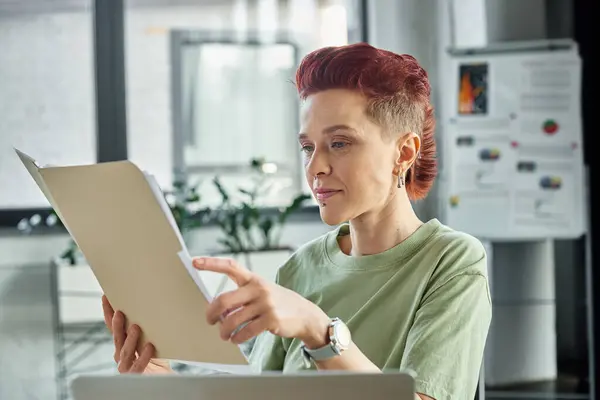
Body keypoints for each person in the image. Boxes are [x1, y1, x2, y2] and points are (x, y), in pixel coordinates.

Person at [102, 42, 491, 400]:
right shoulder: (299, 268)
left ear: (404, 151)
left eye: (339, 143)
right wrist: (165, 385)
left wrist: (319, 330)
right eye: (307, 147)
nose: (315, 167)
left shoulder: (452, 262)